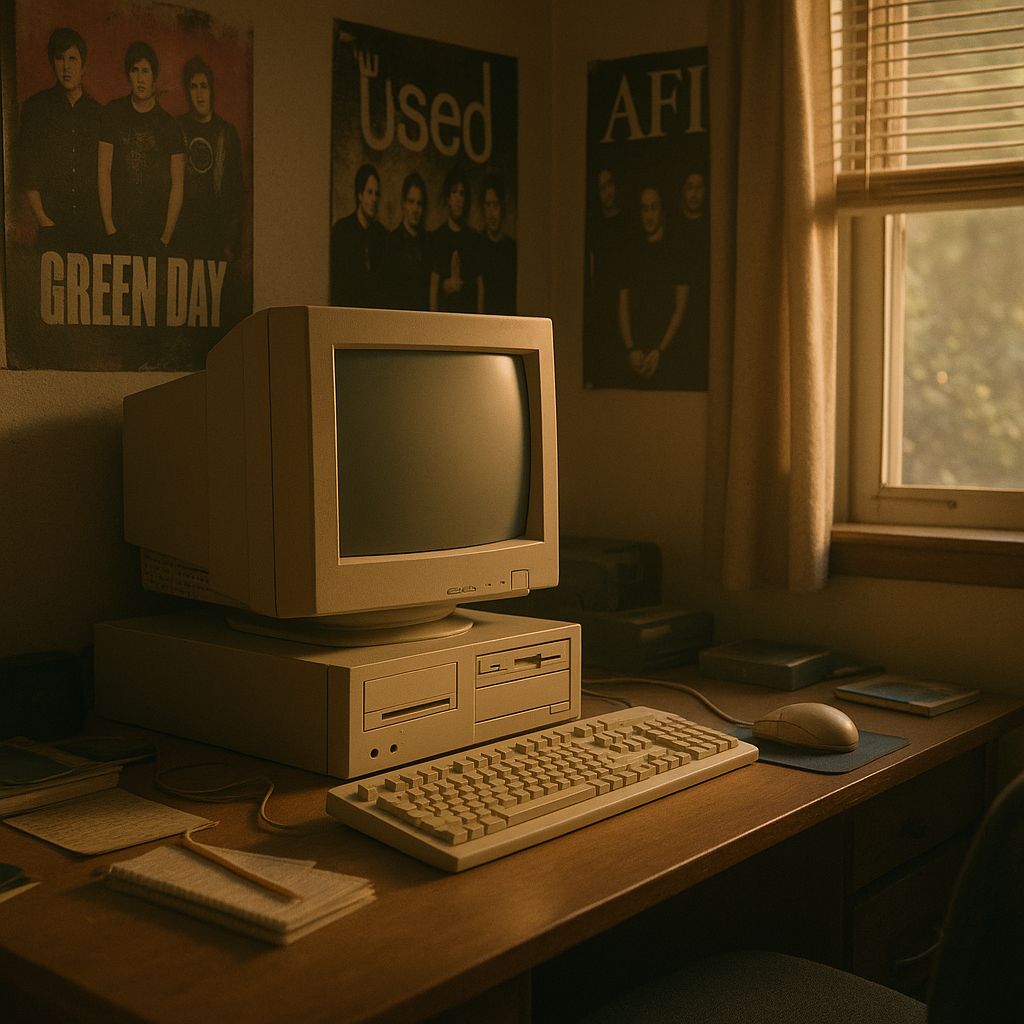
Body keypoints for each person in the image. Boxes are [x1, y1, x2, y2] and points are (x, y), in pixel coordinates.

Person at [16, 27, 103, 249]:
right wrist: (43, 220)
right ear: (52, 62)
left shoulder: (100, 114)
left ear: (84, 66)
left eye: (73, 59)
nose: (66, 67)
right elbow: (27, 169)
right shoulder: (35, 108)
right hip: (51, 228)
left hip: (93, 231)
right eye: (60, 58)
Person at [98, 41, 184, 252]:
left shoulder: (170, 125)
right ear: (128, 75)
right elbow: (103, 171)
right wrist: (110, 228)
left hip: (155, 236)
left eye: (145, 71)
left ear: (154, 77)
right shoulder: (113, 113)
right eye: (134, 70)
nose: (140, 78)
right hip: (118, 232)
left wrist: (165, 238)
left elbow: (177, 185)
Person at [617, 184, 688, 389]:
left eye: (654, 208)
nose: (649, 215)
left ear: (663, 211)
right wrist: (631, 349)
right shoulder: (631, 255)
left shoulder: (676, 253)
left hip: (668, 355)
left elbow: (680, 309)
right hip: (636, 354)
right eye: (644, 209)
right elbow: (623, 307)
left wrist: (660, 350)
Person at [175, 56, 244, 259]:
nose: (199, 95)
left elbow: (236, 193)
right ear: (187, 92)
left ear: (211, 90)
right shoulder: (176, 128)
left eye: (203, 86)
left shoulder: (227, 133)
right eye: (193, 87)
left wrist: (231, 243)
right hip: (182, 240)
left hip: (217, 241)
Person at [584, 167, 629, 387]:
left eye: (609, 184)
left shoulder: (627, 223)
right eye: (602, 188)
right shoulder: (594, 225)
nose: (607, 192)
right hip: (602, 303)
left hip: (625, 299)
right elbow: (592, 268)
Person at [673, 171, 710, 390]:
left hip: (704, 311)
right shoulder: (674, 230)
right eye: (690, 187)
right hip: (678, 318)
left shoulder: (712, 228)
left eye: (699, 187)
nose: (694, 193)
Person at [330, 163, 386, 307]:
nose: (374, 199)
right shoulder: (342, 230)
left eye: (377, 194)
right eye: (369, 192)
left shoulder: (382, 235)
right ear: (360, 194)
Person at [429, 167, 482, 313]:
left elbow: (480, 286)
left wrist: (481, 320)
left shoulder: (474, 239)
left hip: (469, 318)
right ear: (447, 198)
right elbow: (433, 287)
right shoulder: (437, 237)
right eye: (454, 192)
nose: (458, 199)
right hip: (445, 318)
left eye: (462, 193)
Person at [384, 172, 430, 310]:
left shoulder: (427, 241)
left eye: (419, 203)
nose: (415, 209)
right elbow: (388, 292)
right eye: (411, 201)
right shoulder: (393, 241)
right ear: (403, 202)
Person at [477, 175, 516, 315]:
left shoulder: (512, 248)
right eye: (488, 204)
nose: (492, 213)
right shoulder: (477, 245)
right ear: (482, 208)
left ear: (502, 208)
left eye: (496, 205)